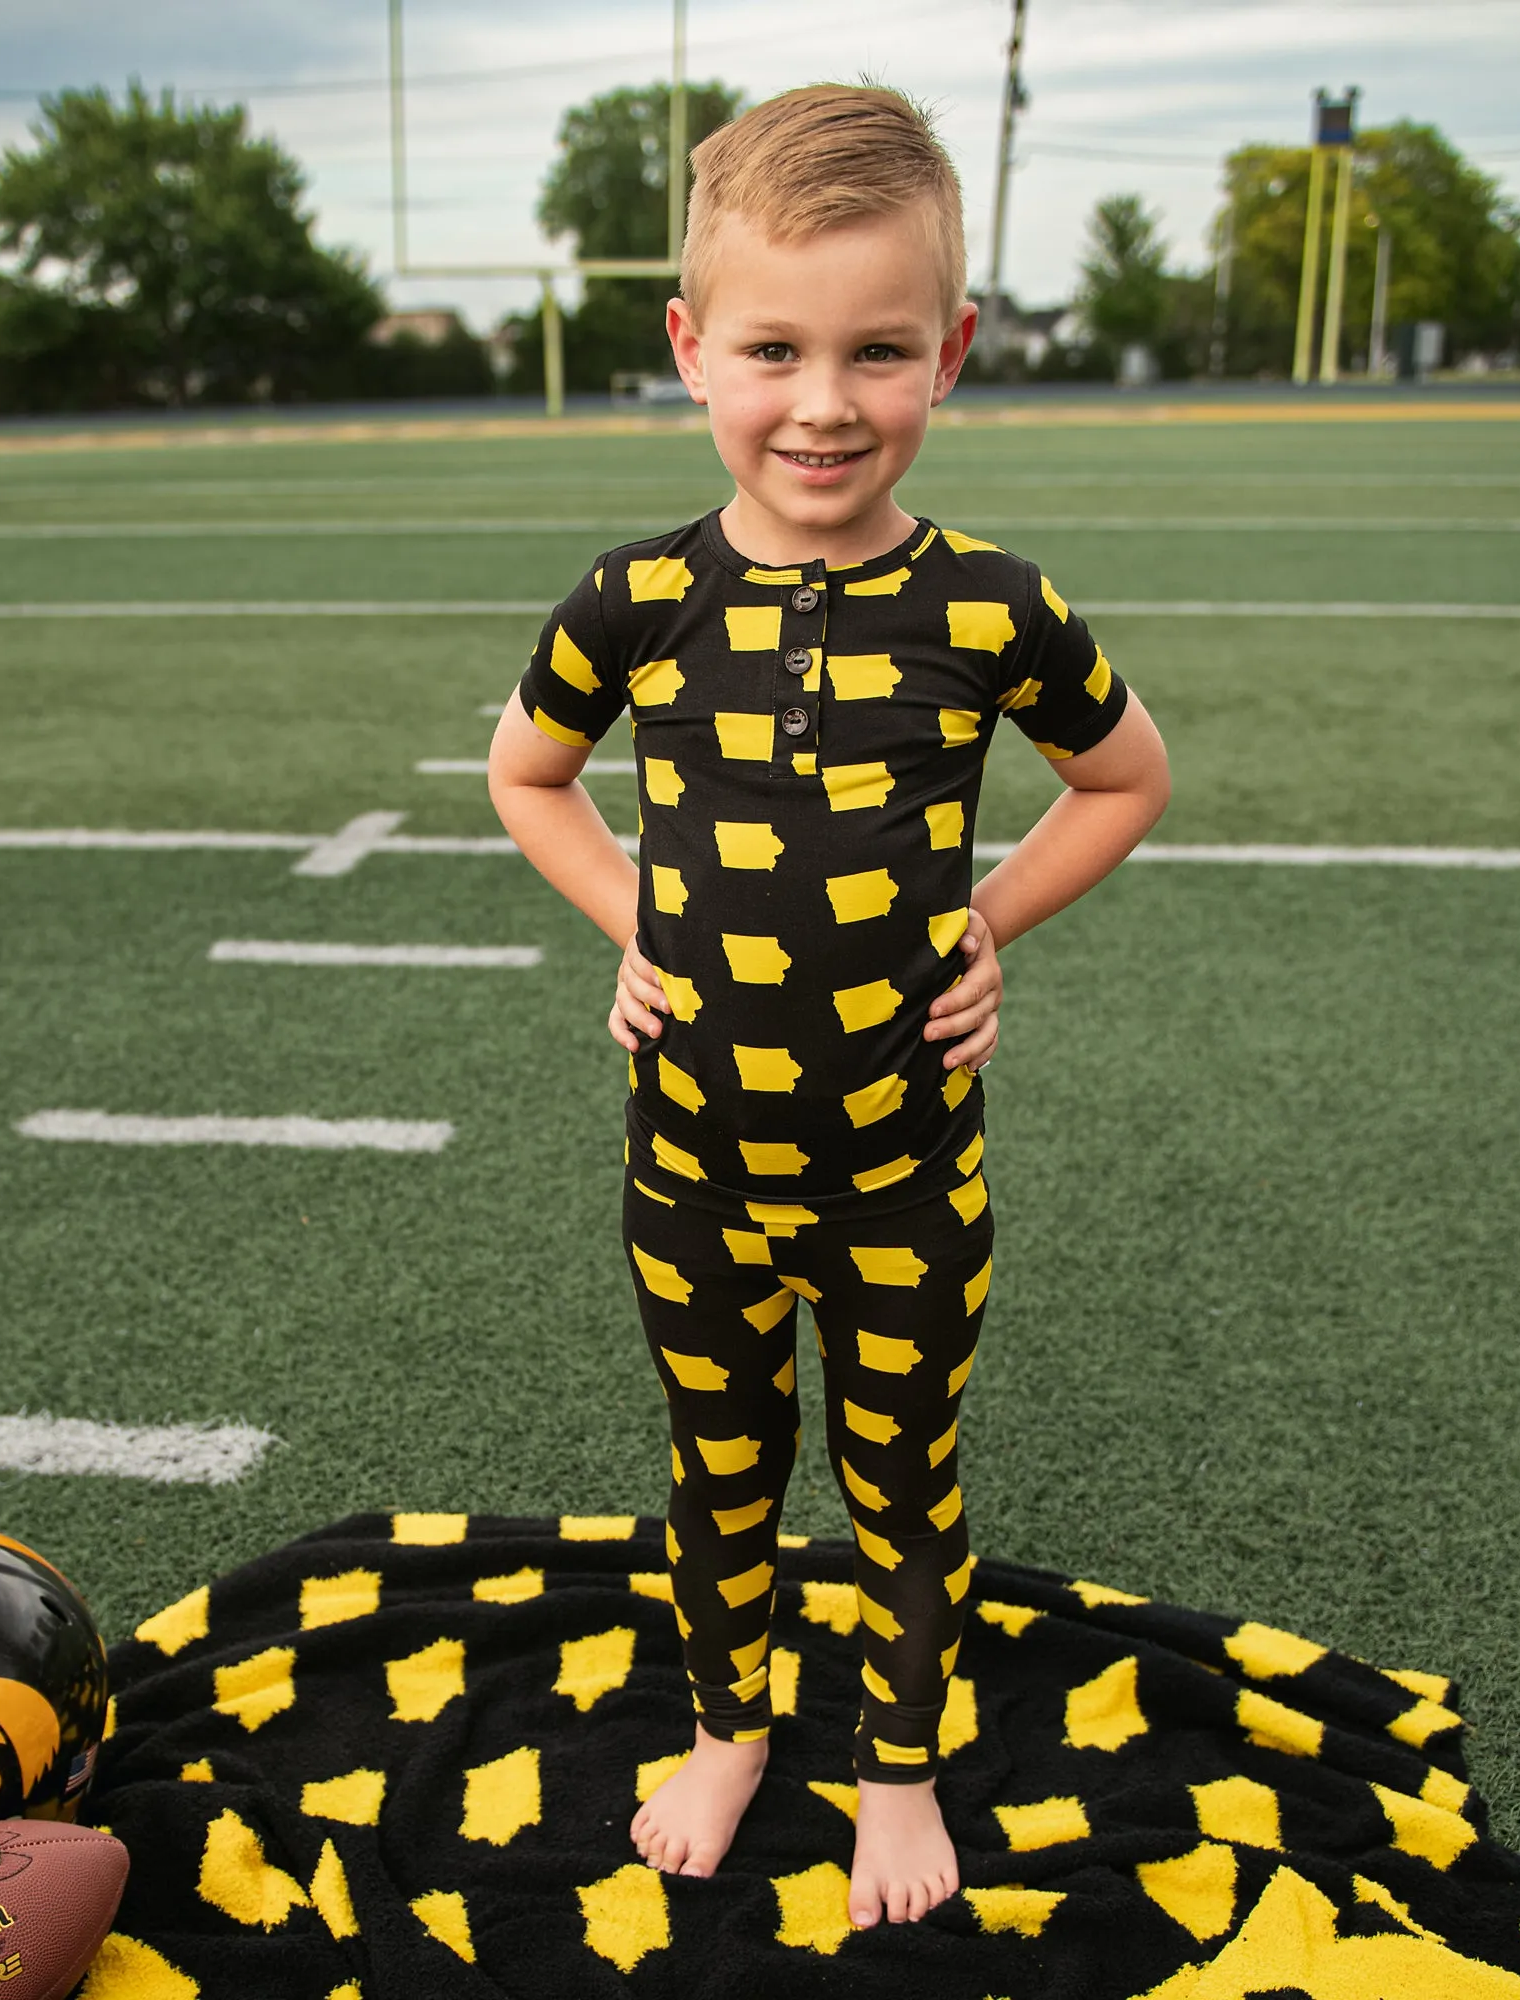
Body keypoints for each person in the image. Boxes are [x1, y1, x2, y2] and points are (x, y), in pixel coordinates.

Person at [488, 82, 1171, 1929]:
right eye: (774, 349)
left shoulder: (991, 606)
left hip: (901, 1170)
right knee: (721, 1475)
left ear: (949, 352)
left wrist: (986, 924)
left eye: (879, 351)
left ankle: (897, 1768)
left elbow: (1127, 780)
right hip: (693, 1161)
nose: (824, 404)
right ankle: (731, 1729)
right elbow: (525, 777)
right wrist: (637, 924)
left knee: (900, 1483)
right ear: (691, 348)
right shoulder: (632, 598)